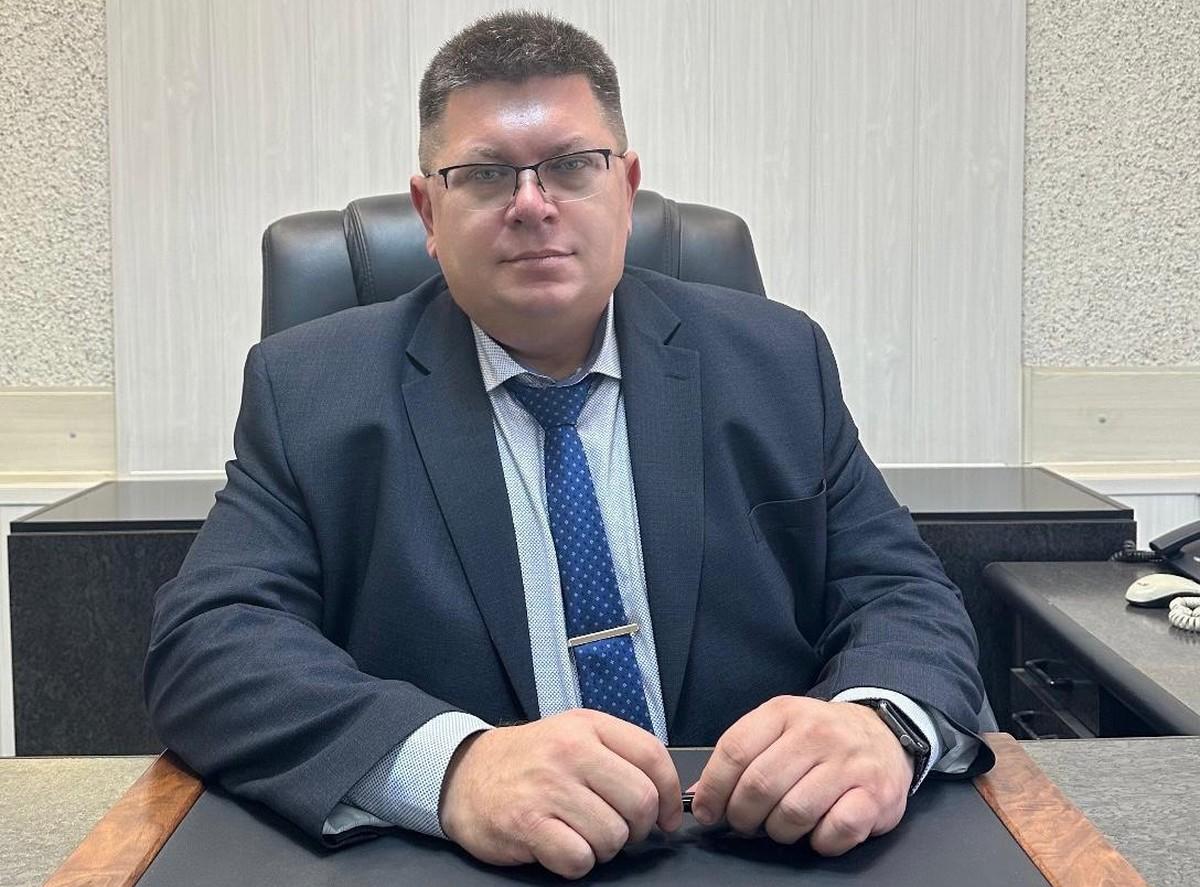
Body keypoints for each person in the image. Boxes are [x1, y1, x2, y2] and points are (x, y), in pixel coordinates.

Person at [144, 10, 994, 880]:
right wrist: (453, 768)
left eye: (572, 165)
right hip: (469, 865)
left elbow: (902, 591)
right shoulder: (311, 391)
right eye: (484, 174)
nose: (531, 204)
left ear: (626, 187)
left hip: (760, 849)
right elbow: (209, 643)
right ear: (428, 210)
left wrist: (877, 724)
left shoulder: (778, 361)